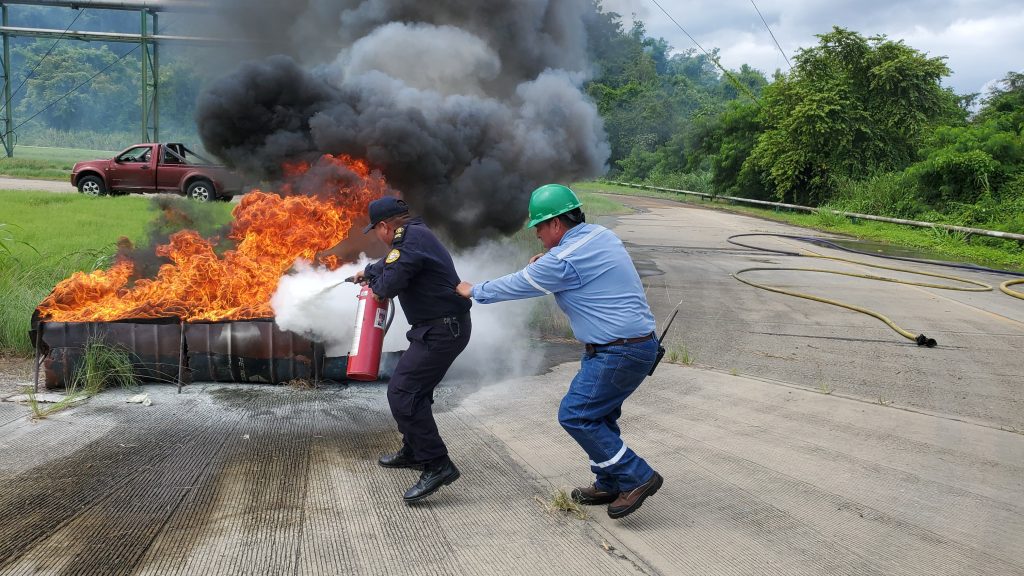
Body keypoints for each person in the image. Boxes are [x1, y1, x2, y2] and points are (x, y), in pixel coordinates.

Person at [456, 184, 662, 519]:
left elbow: (520, 283)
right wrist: (549, 260)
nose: (536, 233)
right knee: (600, 416)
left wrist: (473, 291)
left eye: (538, 226)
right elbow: (570, 266)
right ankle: (609, 481)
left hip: (618, 351)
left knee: (576, 414)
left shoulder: (562, 260)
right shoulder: (601, 235)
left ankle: (637, 476)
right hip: (633, 346)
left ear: (556, 224)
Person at [353, 196, 472, 503]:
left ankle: (437, 464)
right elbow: (390, 264)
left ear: (383, 226)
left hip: (442, 330)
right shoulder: (414, 235)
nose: (379, 238)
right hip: (436, 329)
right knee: (415, 392)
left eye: (376, 232)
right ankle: (415, 450)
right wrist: (368, 269)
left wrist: (374, 279)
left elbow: (388, 284)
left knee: (403, 392)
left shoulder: (410, 239)